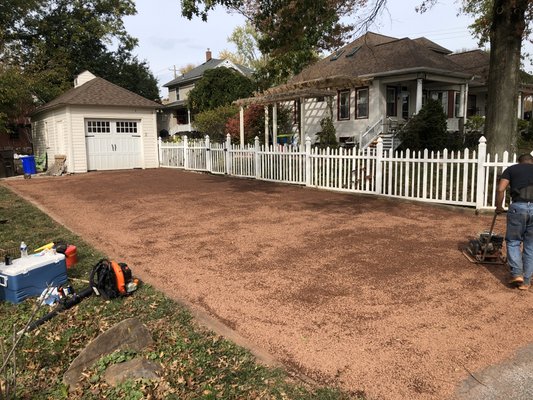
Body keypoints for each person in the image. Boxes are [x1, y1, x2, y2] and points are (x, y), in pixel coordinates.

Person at [495, 153, 533, 290]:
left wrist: (499, 206)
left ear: (519, 162)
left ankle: (517, 273)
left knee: (513, 241)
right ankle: (526, 282)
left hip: (519, 207)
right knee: (530, 245)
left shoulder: (512, 169)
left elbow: (501, 189)